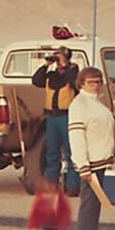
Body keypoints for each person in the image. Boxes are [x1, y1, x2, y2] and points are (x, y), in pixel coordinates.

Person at [66, 66, 115, 230]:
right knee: (89, 207)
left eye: (97, 81)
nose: (95, 85)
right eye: (91, 82)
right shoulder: (79, 104)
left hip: (101, 161)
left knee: (93, 207)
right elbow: (76, 137)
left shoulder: (97, 103)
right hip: (90, 164)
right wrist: (82, 165)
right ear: (81, 84)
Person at [30, 45, 81, 193]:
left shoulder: (73, 72)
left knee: (71, 153)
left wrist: (65, 66)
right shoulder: (52, 75)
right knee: (51, 153)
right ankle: (50, 184)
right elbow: (36, 80)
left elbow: (75, 84)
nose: (57, 60)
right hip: (51, 117)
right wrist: (46, 65)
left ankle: (72, 186)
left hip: (66, 116)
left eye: (59, 56)